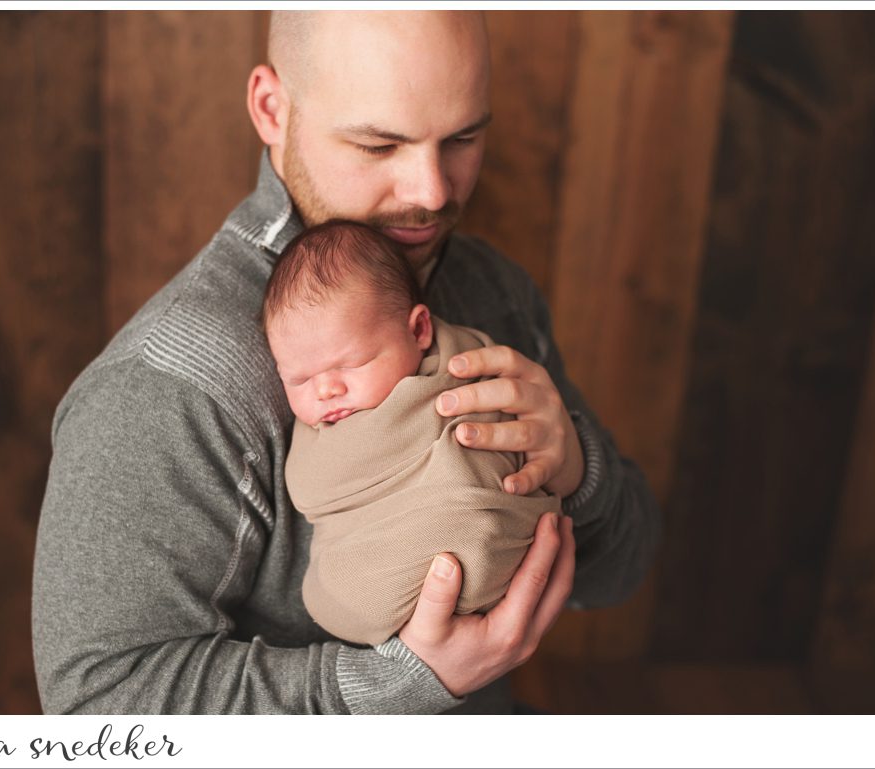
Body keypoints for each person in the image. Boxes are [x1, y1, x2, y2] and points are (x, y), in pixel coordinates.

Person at [32, 10, 661, 714]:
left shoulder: (493, 290)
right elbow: (95, 701)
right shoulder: (170, 385)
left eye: (463, 138)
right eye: (378, 144)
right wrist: (401, 683)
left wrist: (580, 469)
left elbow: (621, 573)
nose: (431, 191)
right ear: (272, 109)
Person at [264, 219, 559, 646]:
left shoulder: (472, 355)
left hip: (491, 529)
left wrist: (575, 466)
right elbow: (315, 491)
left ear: (419, 330)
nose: (326, 391)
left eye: (351, 363)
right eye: (299, 379)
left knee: (468, 527)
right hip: (400, 553)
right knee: (335, 590)